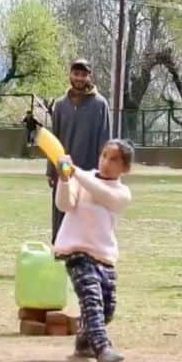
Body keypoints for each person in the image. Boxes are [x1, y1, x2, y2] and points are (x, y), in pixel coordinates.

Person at [53, 139, 134, 362]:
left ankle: (84, 340)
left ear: (125, 168)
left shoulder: (122, 193)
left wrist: (74, 172)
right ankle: (102, 349)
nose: (106, 162)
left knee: (106, 310)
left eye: (114, 159)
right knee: (91, 300)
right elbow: (65, 205)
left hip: (104, 256)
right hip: (77, 252)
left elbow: (101, 193)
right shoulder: (83, 178)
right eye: (104, 156)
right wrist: (64, 179)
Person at [46, 58, 111, 244]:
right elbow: (53, 140)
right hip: (64, 171)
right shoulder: (60, 105)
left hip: (88, 172)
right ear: (70, 75)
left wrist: (104, 174)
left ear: (89, 77)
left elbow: (105, 141)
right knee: (61, 214)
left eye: (83, 74)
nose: (79, 78)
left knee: (87, 216)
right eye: (76, 74)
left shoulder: (100, 105)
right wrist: (52, 170)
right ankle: (61, 252)